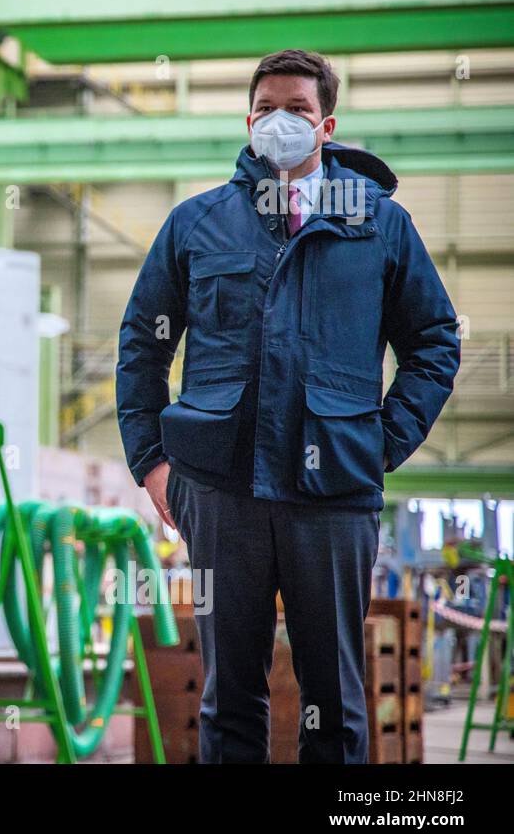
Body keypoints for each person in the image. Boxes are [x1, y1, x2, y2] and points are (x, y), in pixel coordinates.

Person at [116, 48, 459, 763]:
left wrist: (380, 442)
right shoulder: (196, 224)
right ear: (248, 120)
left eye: (298, 109)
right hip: (221, 492)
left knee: (331, 704)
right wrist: (151, 462)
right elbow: (142, 344)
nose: (281, 121)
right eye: (267, 107)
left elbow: (433, 344)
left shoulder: (378, 226)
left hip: (332, 495)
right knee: (228, 699)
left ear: (327, 124)